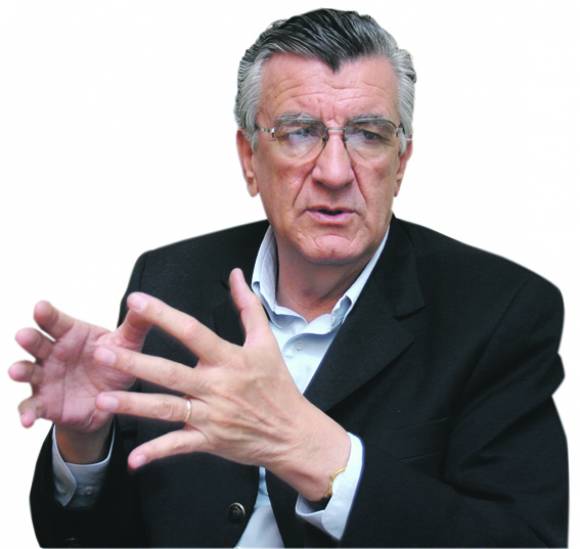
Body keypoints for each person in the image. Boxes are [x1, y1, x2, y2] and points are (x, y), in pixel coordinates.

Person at [10, 8, 567, 548]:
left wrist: (313, 451)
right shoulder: (169, 282)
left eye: (368, 134)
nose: (334, 172)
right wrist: (86, 440)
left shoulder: (501, 312)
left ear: (401, 162)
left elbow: (522, 541)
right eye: (299, 132)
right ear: (249, 158)